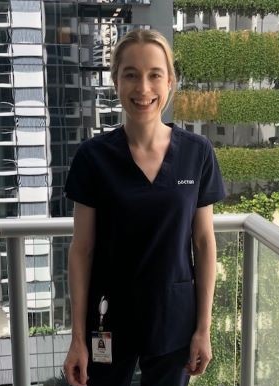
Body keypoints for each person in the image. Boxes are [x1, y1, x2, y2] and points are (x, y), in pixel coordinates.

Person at [62, 28, 226, 386]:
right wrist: (77, 336)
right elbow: (82, 249)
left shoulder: (197, 154)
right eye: (131, 75)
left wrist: (203, 328)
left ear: (171, 81)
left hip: (174, 317)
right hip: (108, 319)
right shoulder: (93, 158)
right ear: (116, 81)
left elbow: (204, 242)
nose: (143, 89)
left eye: (155, 75)